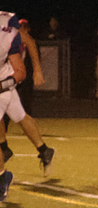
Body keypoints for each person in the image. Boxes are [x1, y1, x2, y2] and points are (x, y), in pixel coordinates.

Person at [0, 12, 54, 177]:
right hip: (6, 73)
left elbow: (29, 41)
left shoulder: (6, 26)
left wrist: (37, 69)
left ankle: (4, 152)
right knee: (19, 114)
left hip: (8, 75)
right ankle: (43, 150)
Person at [3, 19, 45, 131]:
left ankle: (32, 133)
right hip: (8, 74)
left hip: (20, 74)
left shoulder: (18, 35)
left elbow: (31, 44)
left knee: (24, 102)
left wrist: (37, 70)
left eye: (24, 27)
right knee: (5, 103)